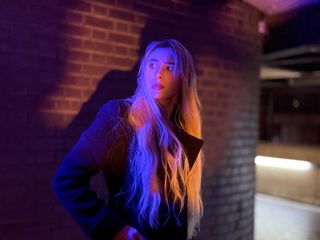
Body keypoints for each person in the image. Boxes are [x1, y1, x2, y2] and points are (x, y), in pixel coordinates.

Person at [52, 39, 204, 240]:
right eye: (152, 64)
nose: (159, 73)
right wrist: (113, 229)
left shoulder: (182, 135)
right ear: (144, 71)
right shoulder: (120, 116)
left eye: (170, 67)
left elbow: (179, 214)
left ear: (183, 77)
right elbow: (67, 179)